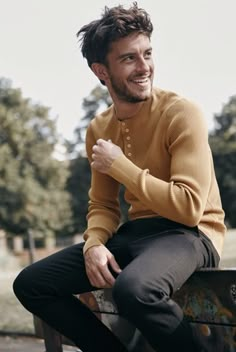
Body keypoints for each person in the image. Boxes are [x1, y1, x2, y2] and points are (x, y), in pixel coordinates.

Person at [13, 2, 226, 352]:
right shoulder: (99, 128)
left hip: (192, 234)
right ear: (102, 71)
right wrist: (94, 244)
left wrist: (121, 164)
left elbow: (188, 207)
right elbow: (102, 205)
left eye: (148, 54)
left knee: (134, 289)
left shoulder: (182, 113)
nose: (145, 67)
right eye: (129, 58)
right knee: (32, 283)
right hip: (137, 235)